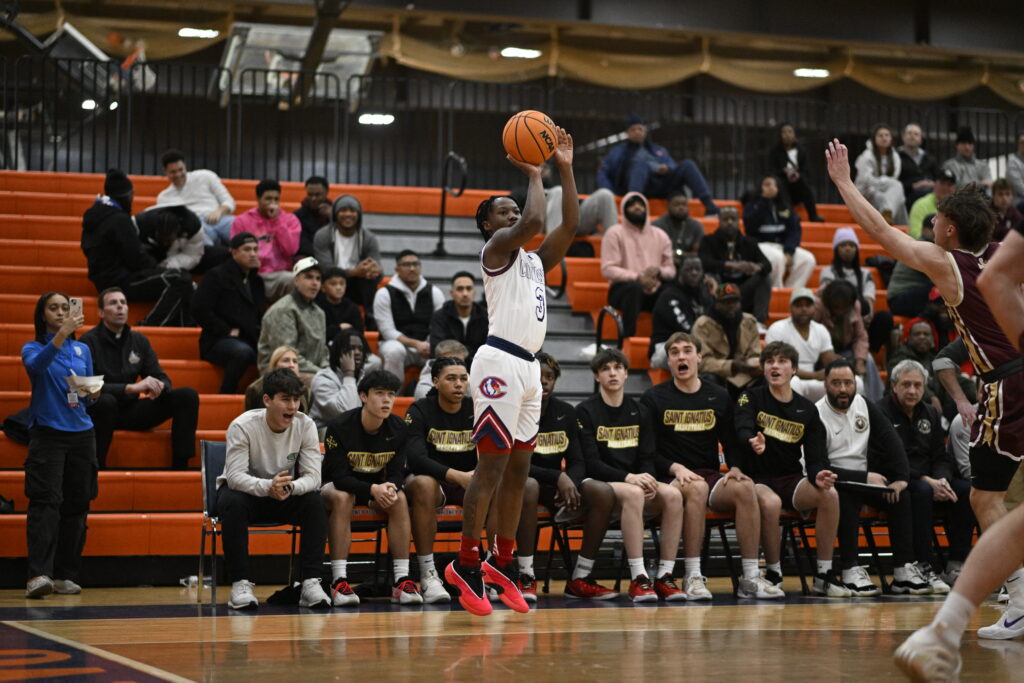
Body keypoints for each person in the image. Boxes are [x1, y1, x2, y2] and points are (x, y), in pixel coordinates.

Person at [824, 138, 1024, 676]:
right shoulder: (999, 257)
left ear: (951, 230)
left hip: (1009, 386)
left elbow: (882, 232)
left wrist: (844, 183)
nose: (931, 225)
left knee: (985, 496)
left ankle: (1019, 601)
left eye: (936, 220)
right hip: (1013, 377)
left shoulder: (947, 263)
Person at [444, 126, 578, 617]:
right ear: (488, 225)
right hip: (498, 361)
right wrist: (535, 175)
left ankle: (502, 562)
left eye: (514, 209)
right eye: (504, 211)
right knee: (491, 469)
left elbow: (569, 226)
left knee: (519, 472)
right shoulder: (496, 251)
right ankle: (464, 563)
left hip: (528, 368)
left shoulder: (535, 262)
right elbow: (538, 218)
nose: (514, 214)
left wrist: (565, 168)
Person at [643, 332, 783, 599]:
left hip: (707, 475)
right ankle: (693, 575)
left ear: (699, 357)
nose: (681, 357)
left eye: (687, 351)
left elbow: (730, 441)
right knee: (696, 488)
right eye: (674, 352)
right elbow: (647, 452)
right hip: (668, 477)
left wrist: (736, 467)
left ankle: (750, 576)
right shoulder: (653, 397)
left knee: (745, 487)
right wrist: (675, 467)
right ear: (669, 361)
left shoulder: (718, 395)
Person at [734, 341, 849, 597]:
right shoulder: (749, 396)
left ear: (794, 369)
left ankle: (824, 574)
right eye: (769, 362)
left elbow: (817, 457)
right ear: (763, 368)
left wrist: (819, 474)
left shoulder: (807, 409)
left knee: (829, 495)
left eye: (782, 361)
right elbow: (741, 426)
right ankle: (773, 572)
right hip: (757, 478)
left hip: (790, 478)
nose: (775, 366)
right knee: (771, 503)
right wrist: (751, 440)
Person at [815, 359, 931, 597]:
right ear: (825, 384)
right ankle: (850, 569)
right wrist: (864, 477)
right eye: (836, 383)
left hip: (864, 480)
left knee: (900, 496)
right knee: (845, 496)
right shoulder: (816, 414)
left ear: (855, 383)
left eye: (848, 382)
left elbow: (891, 440)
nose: (843, 389)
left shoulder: (863, 404)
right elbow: (820, 467)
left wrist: (901, 478)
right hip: (833, 482)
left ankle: (902, 571)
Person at [217, 368, 330, 610]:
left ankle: (310, 583)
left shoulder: (306, 425)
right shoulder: (242, 426)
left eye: (296, 399)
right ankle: (240, 584)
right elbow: (235, 477)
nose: (293, 406)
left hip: (283, 493)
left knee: (314, 502)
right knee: (231, 501)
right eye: (285, 399)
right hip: (248, 495)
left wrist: (289, 486)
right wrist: (268, 486)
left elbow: (314, 477)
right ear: (267, 400)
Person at [577, 348, 685, 602]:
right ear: (597, 376)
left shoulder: (639, 410)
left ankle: (665, 576)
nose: (612, 373)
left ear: (626, 373)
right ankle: (639, 577)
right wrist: (629, 478)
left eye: (618, 368)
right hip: (599, 484)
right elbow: (591, 463)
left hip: (631, 482)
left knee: (672, 495)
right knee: (635, 492)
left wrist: (648, 478)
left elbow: (647, 456)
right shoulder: (585, 411)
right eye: (605, 369)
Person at [514, 352, 619, 601]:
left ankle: (580, 577)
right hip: (520, 484)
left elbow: (578, 460)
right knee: (529, 486)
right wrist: (558, 478)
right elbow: (515, 464)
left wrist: (569, 480)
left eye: (549, 377)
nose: (544, 381)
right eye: (538, 376)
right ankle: (525, 574)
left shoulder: (566, 412)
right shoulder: (515, 410)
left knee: (602, 492)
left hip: (556, 487)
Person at [321, 370, 421, 607]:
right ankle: (339, 581)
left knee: (398, 498)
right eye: (379, 394)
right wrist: (373, 489)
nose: (387, 400)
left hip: (372, 489)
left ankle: (401, 580)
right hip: (334, 488)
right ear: (363, 396)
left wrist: (390, 488)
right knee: (343, 497)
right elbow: (339, 478)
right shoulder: (339, 426)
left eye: (391, 394)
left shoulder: (398, 427)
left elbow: (397, 473)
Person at [22, 292, 98, 598]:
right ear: (42, 315)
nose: (61, 312)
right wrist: (62, 334)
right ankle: (38, 575)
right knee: (45, 504)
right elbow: (37, 368)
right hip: (48, 434)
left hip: (82, 433)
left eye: (66, 308)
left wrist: (92, 393)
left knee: (78, 505)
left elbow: (87, 394)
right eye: (53, 308)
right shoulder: (32, 347)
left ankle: (66, 574)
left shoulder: (82, 349)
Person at [880, 359, 975, 588]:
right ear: (894, 386)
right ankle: (925, 565)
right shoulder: (880, 411)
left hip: (931, 478)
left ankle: (955, 564)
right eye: (906, 385)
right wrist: (926, 480)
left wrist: (942, 480)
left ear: (925, 387)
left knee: (966, 490)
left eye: (917, 385)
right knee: (922, 491)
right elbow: (886, 459)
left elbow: (941, 456)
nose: (912, 391)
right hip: (897, 478)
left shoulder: (930, 412)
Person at [82, 288, 199, 470]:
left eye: (123, 302)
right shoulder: (88, 341)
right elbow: (84, 386)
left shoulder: (138, 340)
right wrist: (129, 388)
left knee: (187, 396)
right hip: (100, 412)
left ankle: (180, 466)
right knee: (106, 402)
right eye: (113, 303)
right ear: (101, 313)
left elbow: (160, 376)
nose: (120, 307)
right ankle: (96, 467)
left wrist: (159, 386)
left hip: (131, 410)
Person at [403, 357, 475, 604]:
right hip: (433, 482)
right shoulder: (420, 409)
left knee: (496, 485)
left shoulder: (476, 408)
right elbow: (416, 459)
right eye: (451, 378)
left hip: (468, 481)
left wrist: (477, 476)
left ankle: (486, 569)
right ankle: (428, 573)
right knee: (423, 483)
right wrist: (457, 476)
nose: (459, 384)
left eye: (463, 378)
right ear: (435, 381)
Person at [81, 169, 194, 327]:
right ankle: (150, 325)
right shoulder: (119, 220)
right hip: (121, 282)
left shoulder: (95, 217)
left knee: (182, 283)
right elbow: (136, 258)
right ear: (128, 195)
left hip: (105, 280)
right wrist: (157, 267)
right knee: (181, 279)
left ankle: (185, 327)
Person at [597, 114, 718, 214]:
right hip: (636, 186)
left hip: (662, 184)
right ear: (627, 133)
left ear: (645, 131)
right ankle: (634, 203)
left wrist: (667, 168)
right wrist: (610, 191)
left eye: (640, 129)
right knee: (640, 164)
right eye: (633, 129)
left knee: (688, 164)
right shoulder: (618, 152)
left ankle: (709, 204)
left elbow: (672, 165)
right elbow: (603, 172)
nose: (637, 132)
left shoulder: (658, 150)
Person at [193, 232, 266, 394]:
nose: (253, 254)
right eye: (247, 249)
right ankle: (226, 393)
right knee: (242, 352)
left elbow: (259, 315)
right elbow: (199, 309)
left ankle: (264, 396)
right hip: (217, 340)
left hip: (250, 338)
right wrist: (226, 330)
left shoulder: (257, 282)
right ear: (233, 252)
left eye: (255, 249)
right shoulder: (216, 275)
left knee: (279, 352)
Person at [600, 192, 676, 338]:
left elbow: (671, 270)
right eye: (632, 205)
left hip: (654, 287)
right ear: (624, 209)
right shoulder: (614, 233)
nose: (637, 207)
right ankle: (627, 339)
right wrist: (637, 277)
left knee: (672, 291)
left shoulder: (660, 235)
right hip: (623, 289)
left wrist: (659, 271)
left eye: (641, 204)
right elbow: (608, 269)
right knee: (634, 289)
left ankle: (667, 340)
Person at [373, 250, 445, 383]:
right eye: (406, 265)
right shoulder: (384, 293)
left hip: (426, 346)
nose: (412, 268)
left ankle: (431, 392)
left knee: (444, 349)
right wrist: (416, 344)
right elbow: (387, 331)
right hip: (396, 344)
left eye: (415, 264)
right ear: (397, 269)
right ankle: (393, 393)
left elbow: (440, 326)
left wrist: (429, 344)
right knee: (394, 351)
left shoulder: (435, 292)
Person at [819, 227, 894, 354]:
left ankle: (867, 352)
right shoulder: (828, 271)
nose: (848, 249)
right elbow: (829, 297)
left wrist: (868, 314)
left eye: (851, 245)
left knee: (884, 318)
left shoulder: (865, 273)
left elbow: (869, 298)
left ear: (857, 249)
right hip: (836, 319)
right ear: (836, 249)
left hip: (861, 320)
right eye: (843, 245)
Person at [312, 194, 383, 321]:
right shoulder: (323, 235)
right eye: (343, 210)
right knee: (329, 280)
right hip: (330, 282)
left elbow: (378, 269)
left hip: (357, 285)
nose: (348, 214)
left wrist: (374, 270)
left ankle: (371, 318)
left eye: (352, 211)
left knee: (370, 278)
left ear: (359, 214)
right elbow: (326, 269)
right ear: (335, 214)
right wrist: (355, 271)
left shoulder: (368, 238)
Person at [257, 257, 327, 383]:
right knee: (326, 384)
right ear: (296, 280)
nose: (315, 283)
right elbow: (285, 356)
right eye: (309, 277)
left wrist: (327, 370)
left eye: (318, 278)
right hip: (278, 373)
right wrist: (322, 373)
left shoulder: (319, 312)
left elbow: (323, 351)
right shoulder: (283, 310)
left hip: (312, 372)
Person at [765, 288, 842, 401]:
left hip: (814, 380)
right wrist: (814, 375)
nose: (804, 309)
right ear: (790, 308)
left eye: (808, 305)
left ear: (814, 308)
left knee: (855, 382)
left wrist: (838, 365)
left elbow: (829, 360)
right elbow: (778, 366)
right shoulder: (778, 328)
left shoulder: (820, 329)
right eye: (799, 305)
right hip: (788, 378)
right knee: (792, 383)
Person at [698, 206, 772, 323]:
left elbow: (767, 265)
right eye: (725, 219)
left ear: (738, 221)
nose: (729, 222)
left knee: (764, 277)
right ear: (719, 221)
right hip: (719, 288)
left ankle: (758, 322)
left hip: (742, 291)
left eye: (733, 219)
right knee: (707, 279)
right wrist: (731, 265)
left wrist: (756, 267)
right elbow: (704, 262)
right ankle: (709, 320)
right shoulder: (708, 240)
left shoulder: (749, 242)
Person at [230, 179, 301, 301]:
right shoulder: (242, 221)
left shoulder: (290, 220)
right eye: (268, 199)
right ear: (258, 199)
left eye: (276, 199)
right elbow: (235, 251)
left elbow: (291, 250)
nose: (272, 203)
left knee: (295, 280)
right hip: (250, 273)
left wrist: (277, 221)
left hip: (279, 275)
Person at [815, 279, 884, 401]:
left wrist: (859, 362)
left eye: (844, 307)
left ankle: (875, 402)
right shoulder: (818, 306)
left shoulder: (855, 306)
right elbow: (811, 336)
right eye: (837, 307)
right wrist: (830, 357)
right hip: (821, 354)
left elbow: (860, 337)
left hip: (845, 350)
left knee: (868, 359)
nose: (840, 310)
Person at [743, 175, 816, 288]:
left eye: (775, 185)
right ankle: (775, 290)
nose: (771, 187)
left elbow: (794, 230)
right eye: (767, 184)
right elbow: (750, 227)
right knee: (778, 258)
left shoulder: (785, 206)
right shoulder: (752, 205)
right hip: (761, 245)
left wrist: (789, 251)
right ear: (760, 187)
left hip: (782, 246)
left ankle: (791, 291)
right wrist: (764, 201)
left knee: (808, 259)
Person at [691, 283, 762, 397]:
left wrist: (754, 364)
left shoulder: (749, 321)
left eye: (735, 301)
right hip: (718, 377)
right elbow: (702, 362)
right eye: (726, 302)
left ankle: (748, 407)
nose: (731, 305)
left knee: (768, 376)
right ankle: (719, 408)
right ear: (716, 304)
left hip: (743, 377)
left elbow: (756, 354)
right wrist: (733, 365)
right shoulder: (702, 325)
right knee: (708, 379)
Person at [157, 150, 236, 247]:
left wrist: (219, 212)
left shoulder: (206, 176)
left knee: (240, 226)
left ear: (185, 166)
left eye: (181, 170)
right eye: (173, 172)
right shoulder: (164, 198)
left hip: (220, 218)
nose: (178, 174)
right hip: (196, 225)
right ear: (165, 172)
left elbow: (228, 201)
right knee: (197, 236)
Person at [649, 254, 715, 369]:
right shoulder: (669, 295)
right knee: (690, 351)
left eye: (698, 269)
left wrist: (714, 295)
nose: (694, 273)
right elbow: (687, 329)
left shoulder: (703, 295)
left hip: (696, 344)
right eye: (689, 269)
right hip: (666, 346)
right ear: (680, 271)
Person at [135, 204, 226, 275]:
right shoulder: (139, 224)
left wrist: (167, 265)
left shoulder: (192, 226)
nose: (165, 243)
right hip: (150, 257)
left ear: (178, 231)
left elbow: (192, 255)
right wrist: (152, 267)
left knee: (222, 254)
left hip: (182, 254)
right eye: (162, 239)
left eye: (169, 240)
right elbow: (133, 255)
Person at [309, 330, 367, 435]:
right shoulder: (323, 378)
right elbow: (346, 414)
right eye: (352, 348)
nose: (357, 352)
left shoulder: (363, 378)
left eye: (360, 349)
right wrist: (349, 373)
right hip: (324, 434)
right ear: (339, 353)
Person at [428, 271, 488, 365]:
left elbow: (488, 348)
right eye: (460, 289)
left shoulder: (486, 316)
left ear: (474, 292)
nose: (465, 294)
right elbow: (438, 348)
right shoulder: (439, 316)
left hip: (478, 365)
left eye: (469, 289)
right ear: (452, 293)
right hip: (448, 366)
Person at [769, 123, 824, 222]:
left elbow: (806, 170)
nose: (787, 135)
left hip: (798, 185)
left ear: (794, 134)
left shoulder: (801, 151)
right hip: (783, 186)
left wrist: (797, 174)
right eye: (784, 132)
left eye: (790, 131)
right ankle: (792, 216)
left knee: (806, 187)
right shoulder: (775, 152)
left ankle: (813, 216)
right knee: (781, 185)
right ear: (780, 135)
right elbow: (772, 171)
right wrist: (784, 171)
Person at [854, 124, 908, 225]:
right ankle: (892, 220)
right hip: (867, 193)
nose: (884, 138)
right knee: (892, 195)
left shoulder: (895, 156)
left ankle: (889, 216)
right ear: (874, 139)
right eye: (880, 135)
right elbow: (866, 180)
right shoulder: (866, 156)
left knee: (896, 192)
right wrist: (884, 181)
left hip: (886, 192)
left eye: (887, 135)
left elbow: (894, 177)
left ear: (891, 139)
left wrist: (885, 184)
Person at [244, 346, 310, 413]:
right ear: (274, 365)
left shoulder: (303, 389)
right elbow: (252, 417)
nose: (292, 365)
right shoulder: (256, 389)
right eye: (286, 360)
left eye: (295, 361)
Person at [652, 191, 706, 264]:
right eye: (676, 204)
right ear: (668, 206)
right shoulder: (657, 225)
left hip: (689, 264)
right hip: (663, 262)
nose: (681, 208)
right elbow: (653, 251)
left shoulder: (696, 226)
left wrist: (683, 255)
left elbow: (699, 253)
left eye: (684, 204)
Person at [897, 123, 943, 208]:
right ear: (903, 137)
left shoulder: (929, 157)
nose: (912, 136)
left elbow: (939, 176)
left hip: (931, 191)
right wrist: (913, 185)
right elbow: (895, 181)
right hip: (907, 195)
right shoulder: (896, 156)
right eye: (909, 133)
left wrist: (933, 184)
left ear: (921, 139)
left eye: (916, 134)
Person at [315, 267, 364, 344]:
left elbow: (359, 334)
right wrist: (339, 328)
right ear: (323, 287)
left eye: (342, 283)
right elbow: (316, 333)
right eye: (333, 284)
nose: (339, 287)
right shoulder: (317, 307)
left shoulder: (352, 308)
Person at [908, 168, 957, 239]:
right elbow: (915, 234)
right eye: (942, 184)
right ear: (935, 184)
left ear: (955, 188)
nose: (945, 187)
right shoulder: (921, 205)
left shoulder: (959, 208)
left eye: (949, 184)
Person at [942, 126, 993, 191]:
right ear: (957, 145)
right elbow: (951, 187)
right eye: (963, 143)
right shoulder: (949, 165)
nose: (967, 147)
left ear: (973, 145)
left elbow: (989, 185)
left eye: (970, 143)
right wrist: (980, 185)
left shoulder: (983, 165)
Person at [294, 175, 332, 258]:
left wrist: (332, 217)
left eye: (317, 195)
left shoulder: (337, 213)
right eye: (310, 194)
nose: (313, 198)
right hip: (309, 257)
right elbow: (302, 244)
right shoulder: (297, 216)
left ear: (326, 193)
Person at [1008, 132, 1024, 209]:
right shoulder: (1013, 162)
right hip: (1018, 200)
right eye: (1022, 142)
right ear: (1018, 144)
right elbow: (1020, 188)